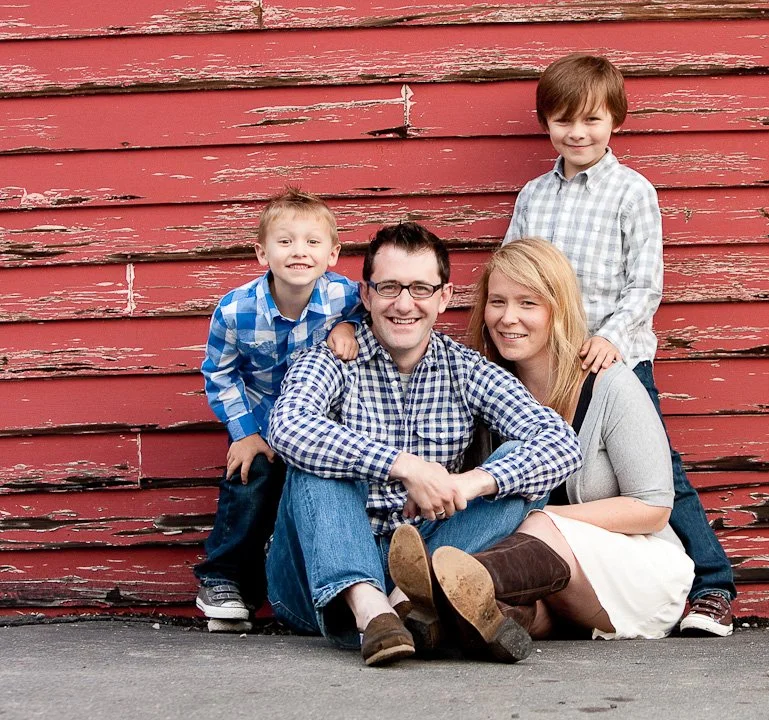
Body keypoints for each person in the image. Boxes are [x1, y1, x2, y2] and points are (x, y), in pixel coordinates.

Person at [263, 222, 582, 666]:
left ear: (444, 297)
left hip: (421, 550)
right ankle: (372, 609)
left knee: (517, 475)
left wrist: (469, 483)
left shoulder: (466, 369)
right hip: (316, 578)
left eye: (420, 288)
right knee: (315, 458)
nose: (404, 304)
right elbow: (288, 426)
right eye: (389, 287)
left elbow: (561, 443)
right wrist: (407, 467)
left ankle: (404, 608)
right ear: (367, 295)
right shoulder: (331, 358)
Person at [503, 53, 737, 635]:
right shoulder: (535, 195)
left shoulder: (632, 193)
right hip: (549, 361)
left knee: (660, 475)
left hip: (616, 358)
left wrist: (609, 337)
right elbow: (514, 266)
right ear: (546, 123)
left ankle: (713, 586)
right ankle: (540, 573)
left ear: (616, 121)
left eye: (590, 120)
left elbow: (646, 283)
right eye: (562, 121)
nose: (577, 133)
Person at [390, 238, 694, 644]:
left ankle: (435, 588)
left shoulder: (610, 386)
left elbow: (653, 508)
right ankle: (449, 622)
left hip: (635, 574)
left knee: (535, 520)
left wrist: (540, 517)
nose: (508, 318)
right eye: (497, 302)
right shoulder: (484, 390)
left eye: (528, 304)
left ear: (558, 309)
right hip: (554, 594)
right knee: (512, 614)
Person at [194, 187, 363, 622]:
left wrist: (348, 325)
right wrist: (244, 433)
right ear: (261, 252)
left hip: (320, 424)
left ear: (332, 253)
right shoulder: (235, 310)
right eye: (285, 242)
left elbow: (374, 312)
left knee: (315, 495)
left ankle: (312, 584)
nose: (299, 252)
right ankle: (223, 579)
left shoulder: (347, 298)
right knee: (251, 478)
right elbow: (219, 372)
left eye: (312, 242)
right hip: (262, 423)